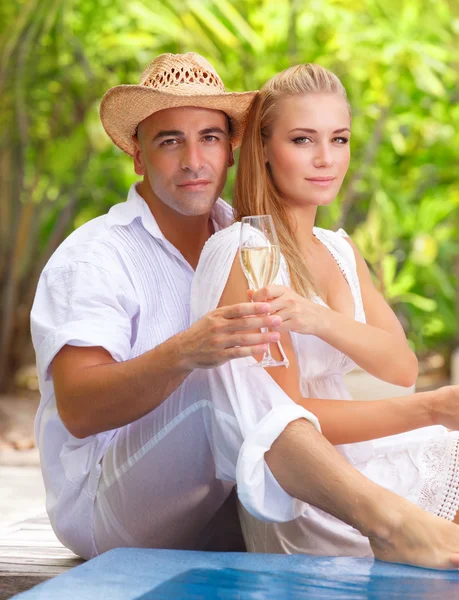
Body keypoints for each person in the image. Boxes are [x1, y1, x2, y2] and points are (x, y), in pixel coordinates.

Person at [30, 52, 459, 569]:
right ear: (138, 156)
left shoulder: (253, 237)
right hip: (109, 504)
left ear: (232, 151)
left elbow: (394, 366)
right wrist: (187, 351)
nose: (193, 160)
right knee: (222, 367)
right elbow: (78, 410)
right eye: (169, 141)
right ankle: (385, 523)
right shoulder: (95, 256)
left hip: (221, 498)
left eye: (209, 138)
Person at [190, 62, 459, 560]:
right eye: (302, 140)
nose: (325, 159)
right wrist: (432, 409)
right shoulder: (248, 251)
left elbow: (400, 367)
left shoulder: (338, 250)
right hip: (311, 497)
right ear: (264, 149)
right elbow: (287, 424)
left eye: (339, 139)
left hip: (363, 459)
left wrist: (321, 321)